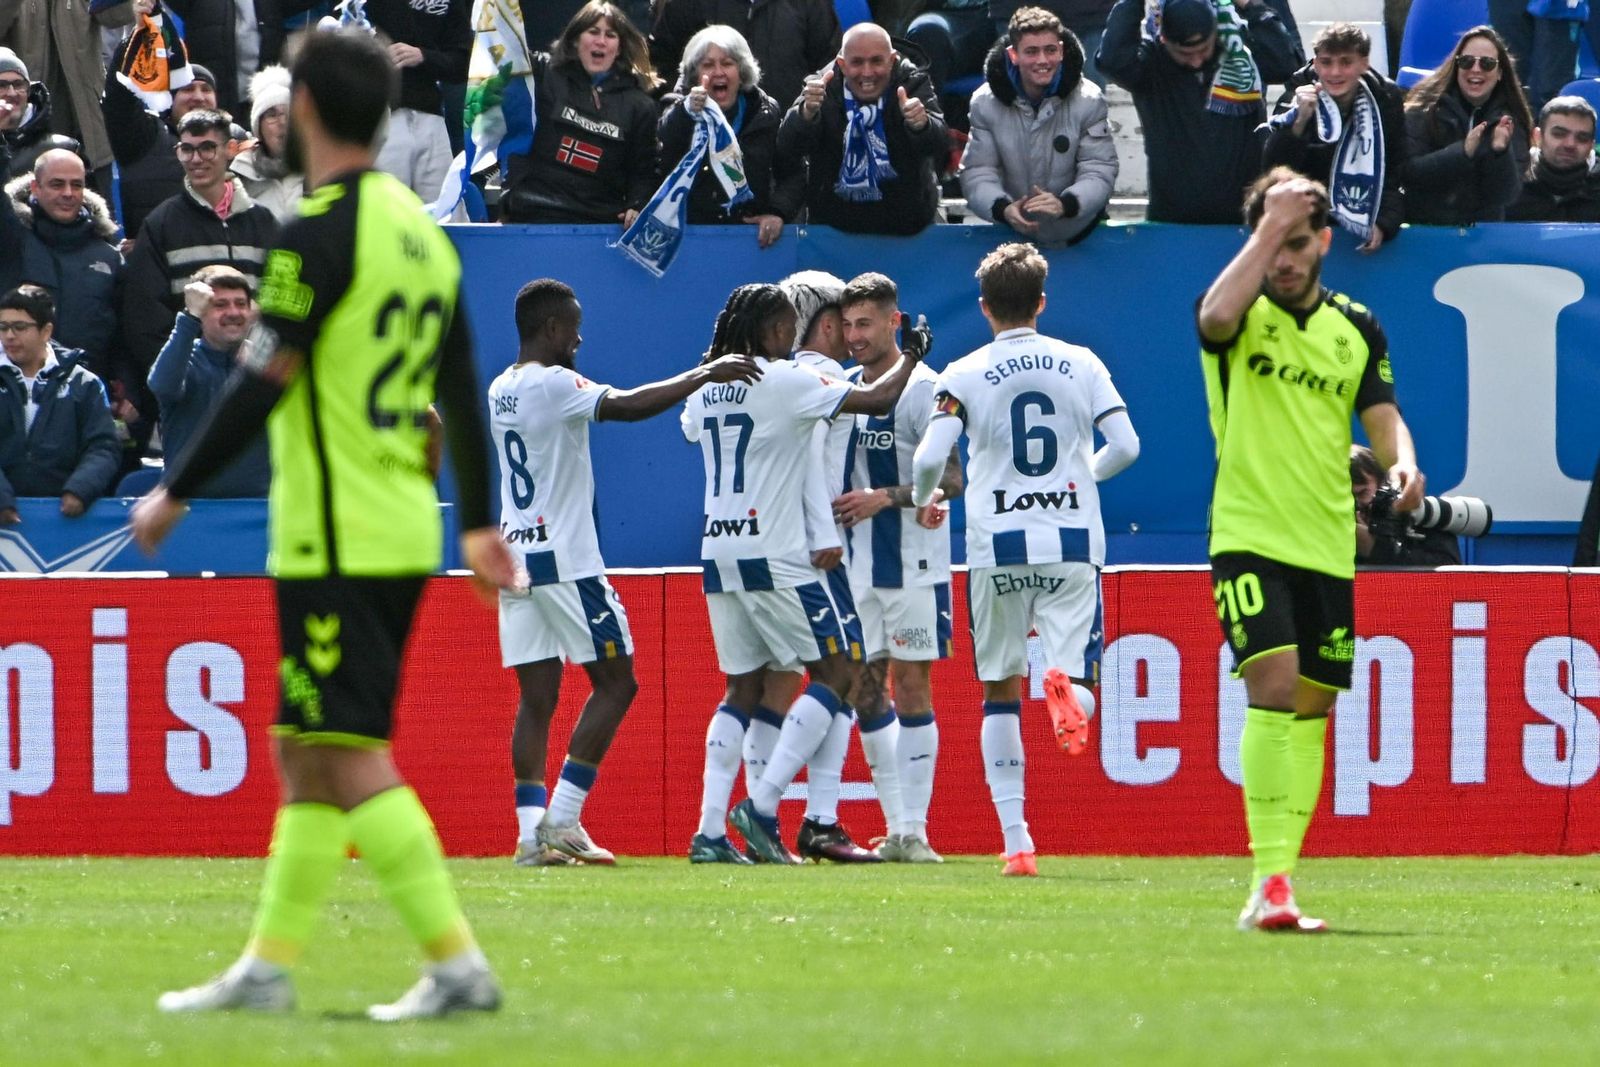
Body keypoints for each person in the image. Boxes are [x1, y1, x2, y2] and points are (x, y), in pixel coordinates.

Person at [133, 27, 516, 1020]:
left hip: (337, 529)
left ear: (302, 111)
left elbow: (266, 376)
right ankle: (266, 963)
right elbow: (461, 390)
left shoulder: (312, 233)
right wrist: (476, 521)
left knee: (347, 749)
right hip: (393, 518)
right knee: (305, 744)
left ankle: (457, 959)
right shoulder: (421, 232)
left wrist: (176, 489)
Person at [1196, 167, 1424, 931]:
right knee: (1275, 681)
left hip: (1328, 540)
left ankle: (1283, 876)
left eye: (1297, 242)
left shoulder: (1357, 325)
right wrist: (1268, 224)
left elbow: (1382, 412)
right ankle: (1268, 880)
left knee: (1314, 705)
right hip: (1249, 531)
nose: (1284, 259)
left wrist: (1403, 462)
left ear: (1324, 241)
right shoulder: (1241, 308)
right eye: (1272, 243)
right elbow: (1213, 317)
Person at [491, 278, 763, 867]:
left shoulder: (501, 387)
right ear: (551, 330)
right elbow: (627, 406)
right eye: (574, 326)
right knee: (618, 683)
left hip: (516, 559)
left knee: (536, 698)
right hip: (566, 560)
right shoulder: (555, 382)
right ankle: (563, 818)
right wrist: (704, 374)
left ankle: (527, 835)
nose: (580, 337)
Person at [910, 242, 1139, 877]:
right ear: (1041, 301)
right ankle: (1070, 698)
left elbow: (931, 457)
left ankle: (1017, 843)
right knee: (1079, 680)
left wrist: (927, 497)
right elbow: (1125, 445)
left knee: (998, 692)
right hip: (1069, 541)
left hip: (996, 545)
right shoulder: (1082, 363)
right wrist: (1081, 479)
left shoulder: (961, 372)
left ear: (984, 308)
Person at [684, 283, 920, 865]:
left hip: (719, 551)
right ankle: (762, 807)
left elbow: (694, 427)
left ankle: (710, 832)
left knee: (743, 686)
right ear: (769, 333)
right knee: (839, 672)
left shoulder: (707, 386)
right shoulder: (787, 380)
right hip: (778, 553)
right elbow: (878, 399)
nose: (792, 337)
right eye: (786, 326)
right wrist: (912, 354)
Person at [832, 273, 963, 863]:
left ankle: (916, 830)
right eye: (849, 324)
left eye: (866, 323)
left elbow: (955, 478)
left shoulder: (928, 389)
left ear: (894, 321)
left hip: (913, 564)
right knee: (863, 690)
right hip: (856, 568)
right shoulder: (840, 387)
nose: (855, 336)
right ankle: (896, 828)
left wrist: (888, 497)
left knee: (910, 686)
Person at [773, 269, 880, 864]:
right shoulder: (829, 377)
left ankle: (809, 818)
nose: (851, 331)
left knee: (772, 686)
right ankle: (789, 812)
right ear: (824, 321)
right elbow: (822, 461)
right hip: (816, 548)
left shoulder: (783, 376)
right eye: (843, 318)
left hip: (773, 542)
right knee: (841, 673)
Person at [119, 107, 278, 460]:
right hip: (192, 392)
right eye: (187, 149)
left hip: (258, 387)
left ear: (231, 150)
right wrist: (181, 384)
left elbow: (282, 306)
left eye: (207, 147)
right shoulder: (161, 224)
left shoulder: (265, 223)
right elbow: (144, 318)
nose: (196, 158)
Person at [1097, 0, 1302, 225]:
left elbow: (1286, 65)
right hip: (1173, 220)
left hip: (1242, 218)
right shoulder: (1151, 64)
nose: (1195, 61)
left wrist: (1251, 5)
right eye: (1184, 53)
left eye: (1203, 49)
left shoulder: (1241, 55)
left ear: (1215, 31)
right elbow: (1111, 61)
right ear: (1164, 40)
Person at [960, 6, 1117, 246]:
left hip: (1081, 235)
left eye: (1050, 50)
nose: (1042, 61)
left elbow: (1099, 168)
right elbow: (978, 171)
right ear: (1013, 55)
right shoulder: (984, 103)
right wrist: (1002, 208)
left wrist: (1066, 204)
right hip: (1011, 239)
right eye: (1032, 52)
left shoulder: (1090, 99)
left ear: (1062, 51)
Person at [777, 22, 948, 236]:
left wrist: (922, 126)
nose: (867, 73)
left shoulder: (912, 82)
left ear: (892, 60)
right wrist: (806, 114)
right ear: (841, 63)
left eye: (876, 61)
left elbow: (940, 145)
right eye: (857, 62)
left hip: (907, 228)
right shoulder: (821, 86)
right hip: (833, 231)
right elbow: (787, 148)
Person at [500, 1, 660, 227]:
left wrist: (638, 203)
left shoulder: (640, 105)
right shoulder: (543, 74)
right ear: (575, 40)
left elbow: (643, 170)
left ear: (620, 47)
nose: (601, 41)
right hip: (535, 210)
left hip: (599, 219)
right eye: (593, 32)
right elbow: (505, 44)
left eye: (610, 35)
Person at [1264, 23, 1407, 253]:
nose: (1335, 72)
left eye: (1346, 62)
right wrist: (1299, 122)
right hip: (1304, 228)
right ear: (1316, 63)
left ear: (1364, 63)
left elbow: (1396, 171)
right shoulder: (1296, 95)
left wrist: (1384, 223)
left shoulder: (1385, 98)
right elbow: (1272, 171)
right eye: (1326, 62)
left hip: (1358, 230)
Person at [656, 24, 799, 246]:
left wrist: (777, 212)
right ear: (695, 75)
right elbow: (663, 142)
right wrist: (687, 112)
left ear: (742, 73)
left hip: (749, 239)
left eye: (727, 63)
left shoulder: (765, 113)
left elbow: (793, 172)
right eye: (708, 65)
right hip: (686, 239)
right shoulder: (677, 109)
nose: (718, 72)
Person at [0, 284, 120, 524]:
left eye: (20, 327)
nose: (9, 336)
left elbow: (104, 446)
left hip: (68, 523)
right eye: (3, 327)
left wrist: (79, 489)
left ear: (46, 331)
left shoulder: (84, 383)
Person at [147, 265, 269, 497]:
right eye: (220, 305)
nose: (233, 312)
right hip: (192, 509)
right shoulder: (185, 358)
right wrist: (188, 319)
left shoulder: (263, 363)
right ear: (201, 311)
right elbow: (162, 385)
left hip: (259, 510)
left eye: (241, 304)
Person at [0, 149, 123, 377]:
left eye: (76, 185)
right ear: (35, 188)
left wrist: (127, 385)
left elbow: (125, 332)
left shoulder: (108, 255)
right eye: (57, 184)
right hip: (14, 390)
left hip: (86, 393)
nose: (68, 193)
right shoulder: (12, 239)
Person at [1401, 26, 1532, 226]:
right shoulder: (1422, 110)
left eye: (1487, 64)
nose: (1476, 69)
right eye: (1466, 61)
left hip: (1483, 238)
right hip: (1426, 230)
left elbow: (1506, 196)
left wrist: (1499, 152)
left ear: (1500, 73)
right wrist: (1462, 152)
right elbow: (1408, 174)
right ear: (1456, 67)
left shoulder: (1512, 120)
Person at [101, 52, 220, 239]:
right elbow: (118, 101)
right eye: (188, 89)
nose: (198, 97)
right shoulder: (145, 135)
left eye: (206, 89)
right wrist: (134, 45)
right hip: (154, 258)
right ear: (170, 98)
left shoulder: (236, 139)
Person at [648, 0, 840, 114]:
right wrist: (685, 105)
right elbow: (661, 64)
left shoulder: (810, 4)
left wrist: (802, 112)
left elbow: (827, 64)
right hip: (703, 138)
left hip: (786, 142)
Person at [367, 0, 470, 203]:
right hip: (381, 114)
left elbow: (462, 62)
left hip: (430, 114)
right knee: (385, 208)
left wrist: (423, 56)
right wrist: (373, 53)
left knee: (444, 212)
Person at [1351, 445, 1460, 567]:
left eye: (1362, 493)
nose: (1356, 505)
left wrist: (1373, 547)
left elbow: (1448, 574)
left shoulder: (1421, 516)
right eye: (1346, 498)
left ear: (1383, 484)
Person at [1507, 95, 1600, 221]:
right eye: (1559, 134)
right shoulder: (1508, 182)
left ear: (1591, 146)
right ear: (1538, 137)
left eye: (1582, 138)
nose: (1570, 144)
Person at [230, 65, 303, 221]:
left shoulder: (318, 169)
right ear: (258, 128)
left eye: (288, 114)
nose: (282, 122)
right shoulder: (240, 175)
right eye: (272, 115)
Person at [0, 47, 76, 181]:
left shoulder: (61, 148)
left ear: (29, 91)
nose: (12, 93)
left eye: (18, 84)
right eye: (1, 85)